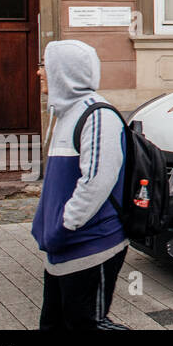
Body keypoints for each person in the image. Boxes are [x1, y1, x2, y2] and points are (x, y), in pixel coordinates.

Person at [31, 40, 129, 330]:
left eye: (44, 66)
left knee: (87, 325)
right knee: (53, 325)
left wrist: (66, 224)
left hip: (91, 245)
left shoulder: (98, 115)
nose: (39, 73)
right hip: (62, 248)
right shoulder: (64, 113)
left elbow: (96, 182)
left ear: (65, 71)